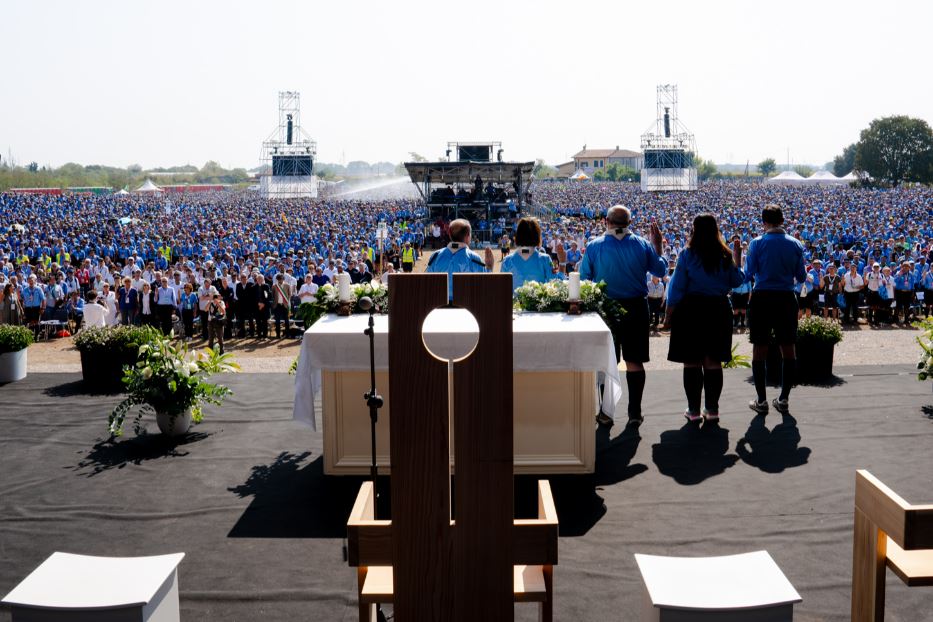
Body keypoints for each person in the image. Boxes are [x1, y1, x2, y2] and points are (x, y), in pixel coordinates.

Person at [579, 205, 667, 426]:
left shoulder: (594, 246)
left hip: (605, 309)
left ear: (606, 221)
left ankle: (606, 413)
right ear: (629, 223)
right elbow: (660, 271)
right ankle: (635, 413)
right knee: (635, 362)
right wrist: (658, 248)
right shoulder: (643, 245)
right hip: (636, 308)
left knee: (604, 363)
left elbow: (583, 279)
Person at [664, 214, 745, 422]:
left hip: (691, 309)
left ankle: (693, 411)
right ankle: (712, 410)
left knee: (691, 361)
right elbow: (737, 281)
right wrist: (738, 259)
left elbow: (676, 288)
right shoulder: (725, 255)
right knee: (713, 361)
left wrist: (668, 315)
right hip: (718, 309)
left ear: (694, 229)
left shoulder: (687, 254)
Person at [744, 205, 806, 414]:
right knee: (788, 348)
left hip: (762, 297)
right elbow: (802, 277)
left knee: (759, 348)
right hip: (786, 298)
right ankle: (784, 398)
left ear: (764, 222)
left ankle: (761, 400)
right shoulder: (796, 244)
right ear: (782, 220)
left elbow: (748, 273)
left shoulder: (757, 243)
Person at [425, 218, 495, 299]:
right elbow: (485, 286)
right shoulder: (475, 259)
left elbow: (428, 283)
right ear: (468, 235)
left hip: (439, 306)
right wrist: (489, 268)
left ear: (449, 234)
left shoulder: (435, 256)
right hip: (467, 307)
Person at [499, 217, 553, 291]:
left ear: (518, 235)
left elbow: (502, 289)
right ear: (537, 236)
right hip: (539, 302)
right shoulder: (545, 259)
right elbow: (555, 285)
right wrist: (562, 264)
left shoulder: (506, 261)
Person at [271, 273, 292, 339]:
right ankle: (278, 335)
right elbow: (273, 295)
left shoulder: (287, 285)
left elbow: (289, 294)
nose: (280, 280)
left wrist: (287, 301)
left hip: (285, 305)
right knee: (277, 321)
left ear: (283, 279)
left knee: (286, 320)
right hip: (277, 305)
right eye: (278, 279)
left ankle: (287, 334)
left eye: (281, 279)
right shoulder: (274, 286)